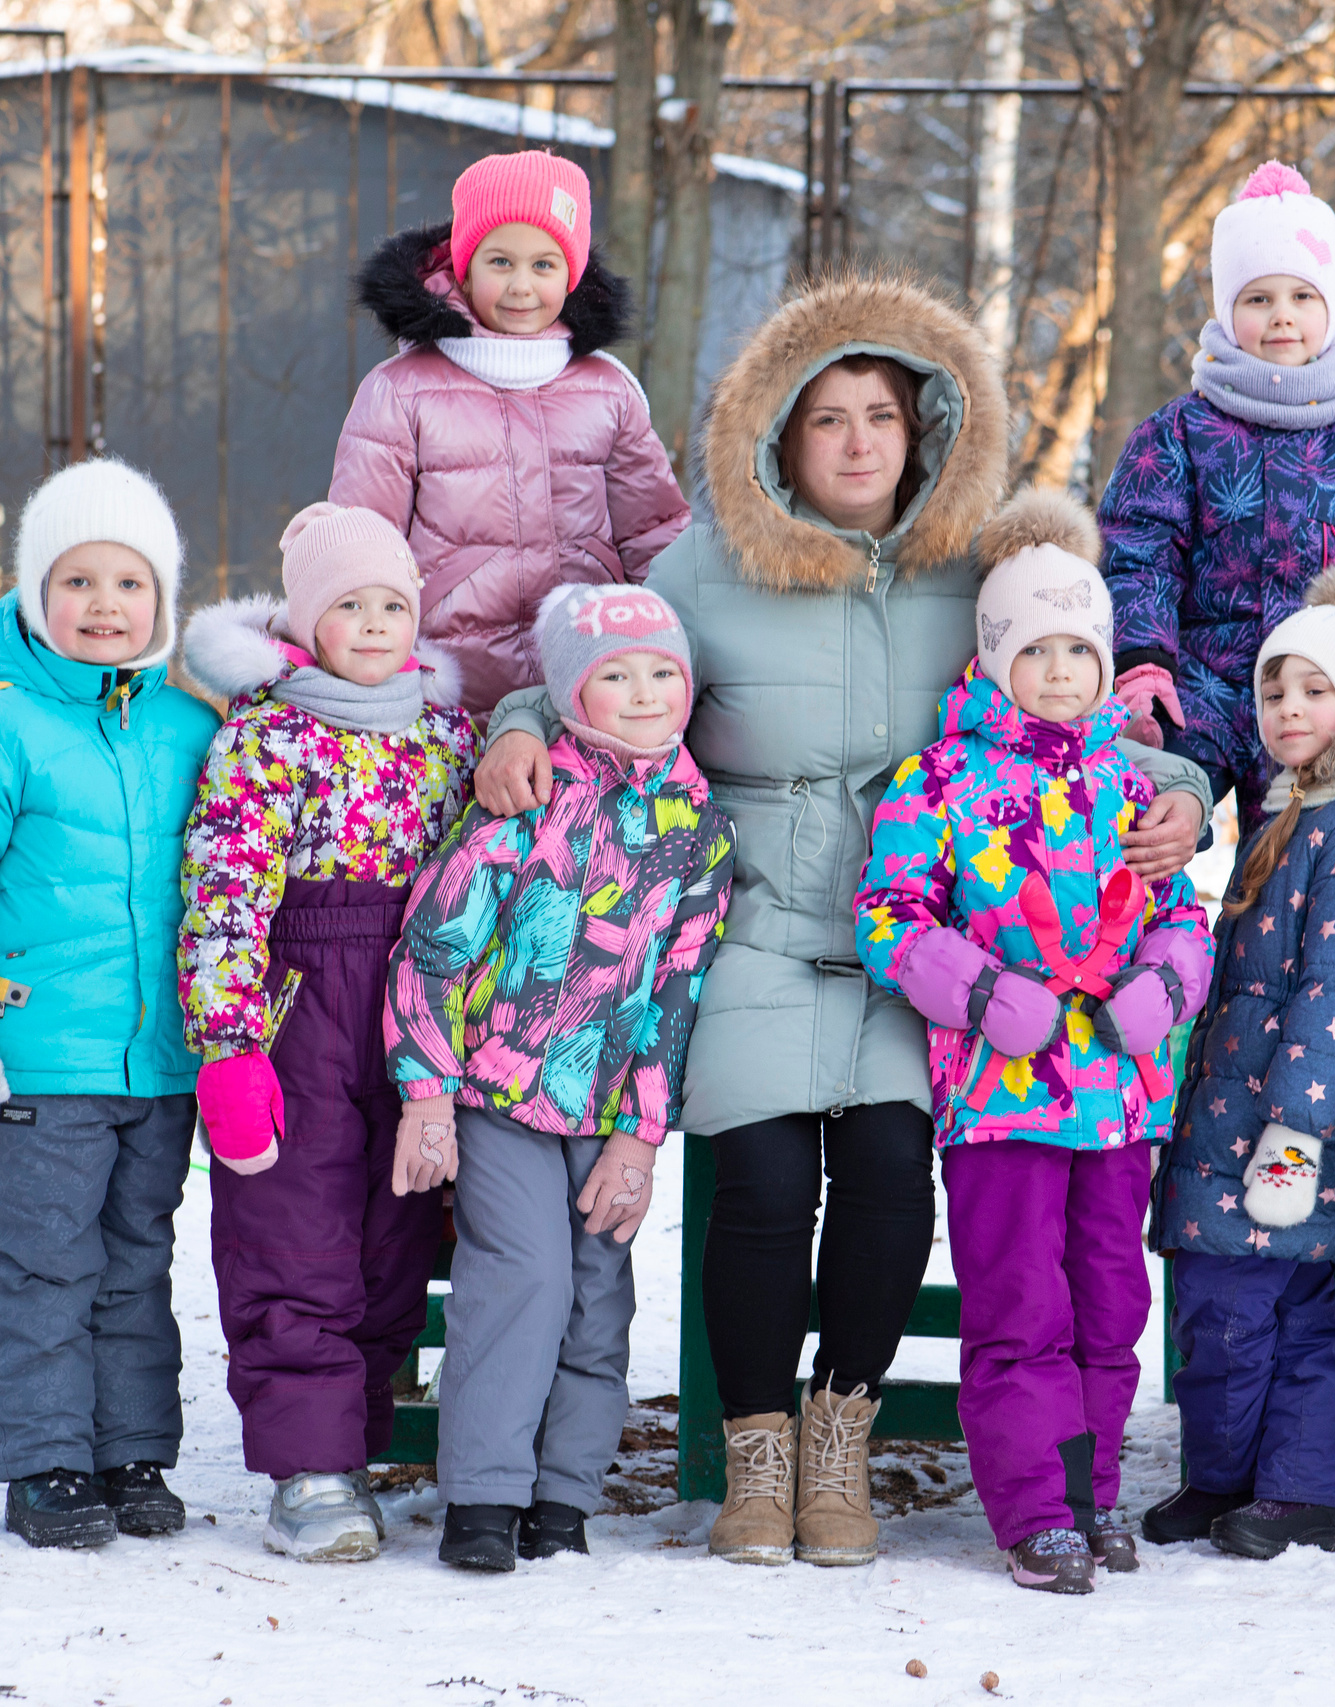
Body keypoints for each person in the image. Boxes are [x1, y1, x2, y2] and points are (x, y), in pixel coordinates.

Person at [471, 272, 1213, 1569]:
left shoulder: (973, 564)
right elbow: (602, 663)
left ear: (925, 429)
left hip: (926, 949)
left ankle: (837, 1434)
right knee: (758, 1184)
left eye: (882, 413)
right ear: (782, 434)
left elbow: (1074, 703)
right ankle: (756, 1449)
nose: (860, 440)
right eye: (829, 417)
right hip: (752, 923)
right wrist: (523, 722)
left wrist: (1185, 789)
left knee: (884, 1180)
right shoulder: (710, 559)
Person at [855, 493, 1213, 1593]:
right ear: (994, 655)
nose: (1061, 673)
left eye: (1080, 651)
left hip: (1115, 1099)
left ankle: (1094, 1491)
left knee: (1111, 1302)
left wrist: (1165, 986)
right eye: (1038, 650)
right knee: (1020, 1305)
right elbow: (889, 914)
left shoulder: (1133, 783)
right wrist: (977, 991)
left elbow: (1180, 912)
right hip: (1001, 1096)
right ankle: (1032, 1511)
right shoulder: (944, 778)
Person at [0, 460, 218, 1549]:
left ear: (163, 602)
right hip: (32, 1059)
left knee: (136, 1262)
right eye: (78, 583)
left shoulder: (187, 724)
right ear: (36, 593)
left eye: (130, 585)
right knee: (41, 1262)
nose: (105, 607)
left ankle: (129, 1451)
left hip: (155, 1061)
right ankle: (43, 1462)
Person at [385, 583, 735, 1573]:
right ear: (570, 694)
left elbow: (678, 992)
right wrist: (427, 1092)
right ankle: (484, 1496)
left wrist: (640, 1134)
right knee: (521, 1277)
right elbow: (434, 948)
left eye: (661, 672)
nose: (641, 693)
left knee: (595, 1291)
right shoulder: (527, 799)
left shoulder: (700, 830)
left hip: (611, 1101)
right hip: (500, 1091)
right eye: (613, 675)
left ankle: (563, 1497)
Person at [175, 503, 475, 1562]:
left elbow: (476, 878)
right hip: (300, 993)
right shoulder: (265, 731)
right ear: (308, 624)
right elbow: (224, 885)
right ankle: (306, 1471)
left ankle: (353, 1444)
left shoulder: (448, 733)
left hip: (414, 1005)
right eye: (351, 605)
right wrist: (230, 1041)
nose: (377, 623)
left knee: (396, 1232)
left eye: (394, 603)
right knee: (291, 1224)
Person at [1147, 561, 1335, 1560]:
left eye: (1313, 691)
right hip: (1231, 1101)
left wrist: (1295, 1130)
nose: (1286, 708)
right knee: (1221, 1299)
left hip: (1294, 1122)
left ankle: (1309, 1488)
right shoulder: (1292, 805)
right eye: (1274, 690)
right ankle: (1226, 1478)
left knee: (1262, 1305)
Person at [1098, 160, 1335, 833]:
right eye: (1258, 299)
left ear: (1331, 307)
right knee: (1148, 811)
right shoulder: (1178, 431)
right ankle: (1156, 931)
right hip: (1201, 681)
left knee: (1306, 842)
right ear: (1228, 312)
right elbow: (1139, 551)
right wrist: (1144, 663)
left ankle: (1275, 933)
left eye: (1302, 297)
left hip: (1321, 690)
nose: (1281, 316)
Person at [331, 149, 689, 718]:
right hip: (445, 691)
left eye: (544, 265)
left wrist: (673, 642)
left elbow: (655, 535)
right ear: (465, 267)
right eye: (501, 262)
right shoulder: (401, 389)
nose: (522, 286)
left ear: (571, 276)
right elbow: (362, 542)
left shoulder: (608, 390)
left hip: (583, 693)